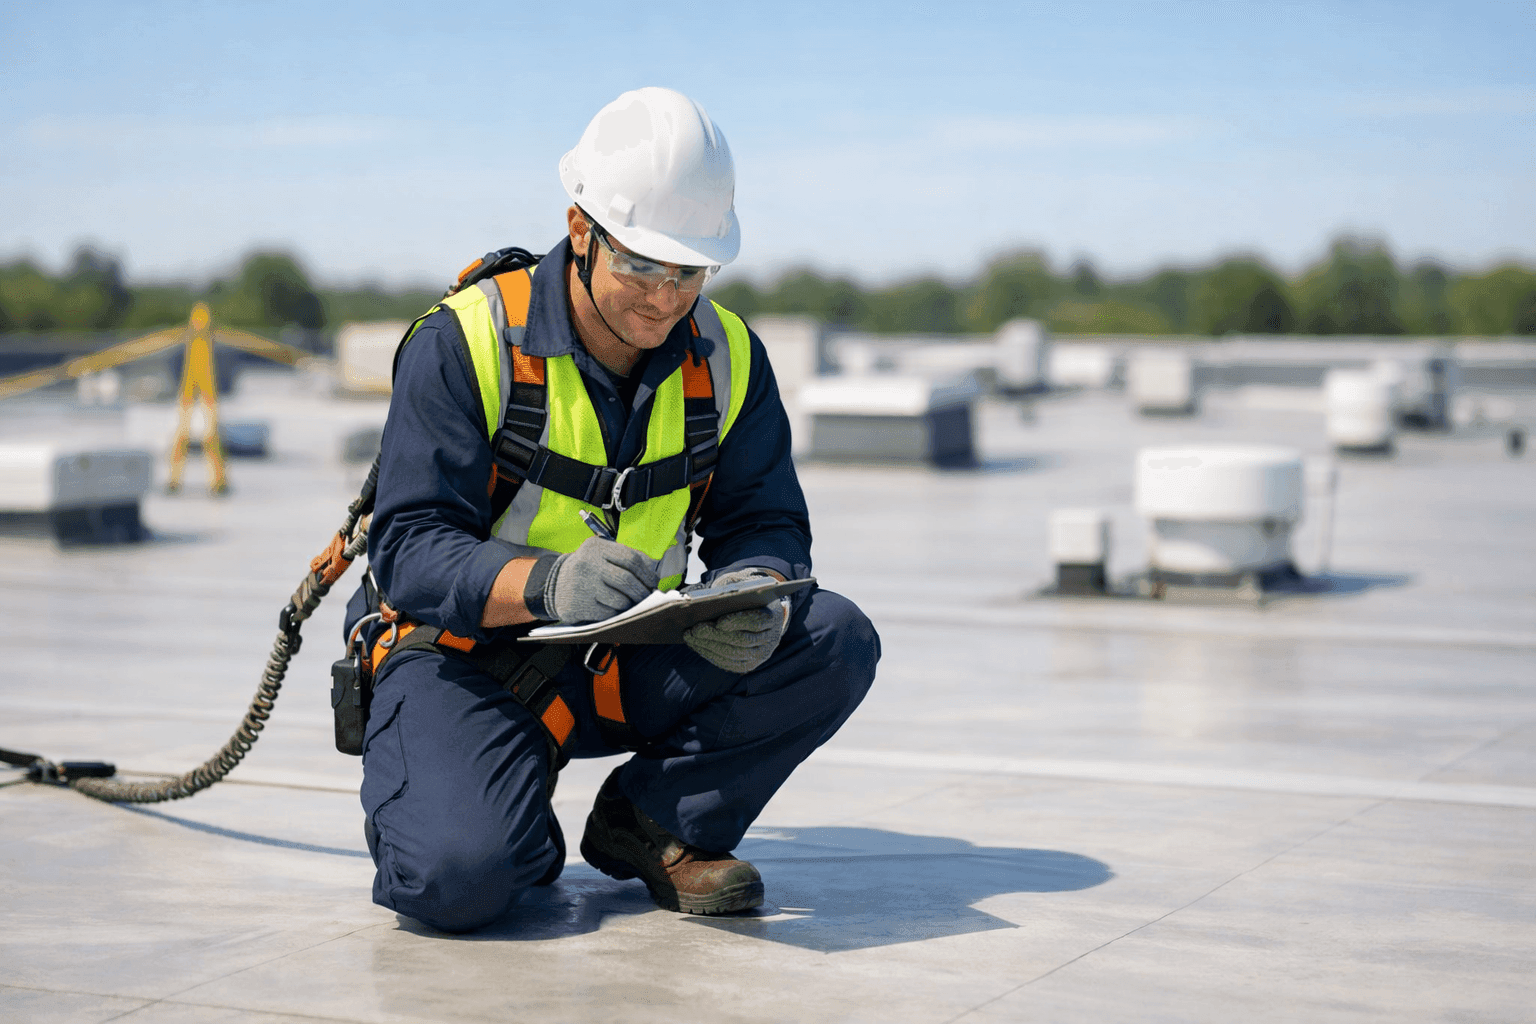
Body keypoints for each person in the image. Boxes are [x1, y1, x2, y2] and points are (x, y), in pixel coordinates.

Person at [346, 87, 880, 933]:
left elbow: (765, 517)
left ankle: (653, 822)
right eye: (640, 264)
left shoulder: (730, 357)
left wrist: (756, 580)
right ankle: (508, 821)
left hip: (629, 661)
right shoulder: (466, 343)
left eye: (688, 271)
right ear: (582, 228)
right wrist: (544, 582)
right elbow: (407, 550)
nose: (665, 299)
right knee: (456, 880)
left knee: (830, 636)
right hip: (470, 660)